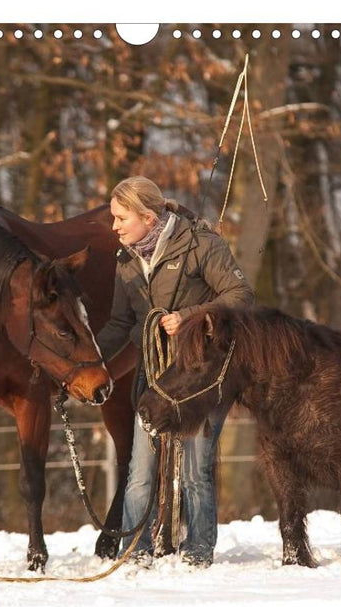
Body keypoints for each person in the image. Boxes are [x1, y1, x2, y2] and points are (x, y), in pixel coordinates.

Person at [96, 176, 254, 568]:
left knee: (197, 467)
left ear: (147, 218)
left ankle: (198, 550)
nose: (113, 226)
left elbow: (240, 297)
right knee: (139, 470)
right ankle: (135, 551)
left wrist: (188, 318)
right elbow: (120, 322)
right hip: (153, 375)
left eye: (121, 218)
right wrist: (85, 359)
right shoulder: (127, 261)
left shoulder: (203, 245)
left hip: (201, 375)